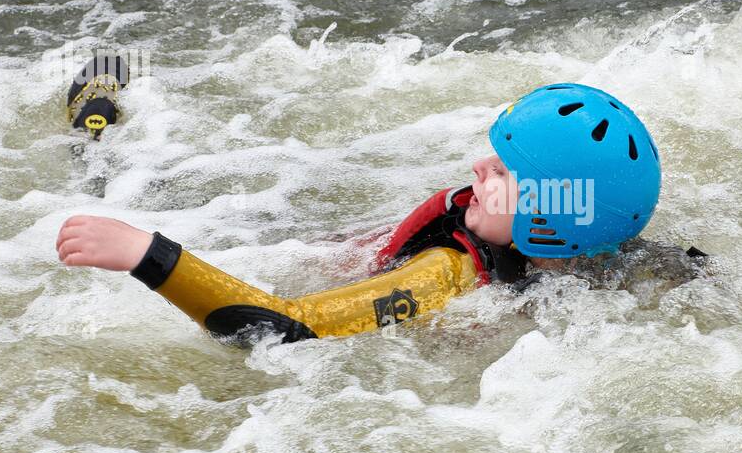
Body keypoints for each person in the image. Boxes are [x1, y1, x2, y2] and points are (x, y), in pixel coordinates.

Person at [55, 83, 675, 344]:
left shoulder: (445, 275)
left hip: (328, 284)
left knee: (182, 222)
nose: (482, 166)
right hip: (334, 249)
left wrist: (148, 256)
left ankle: (98, 146)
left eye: (509, 174)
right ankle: (109, 151)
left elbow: (278, 332)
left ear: (555, 217)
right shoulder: (611, 247)